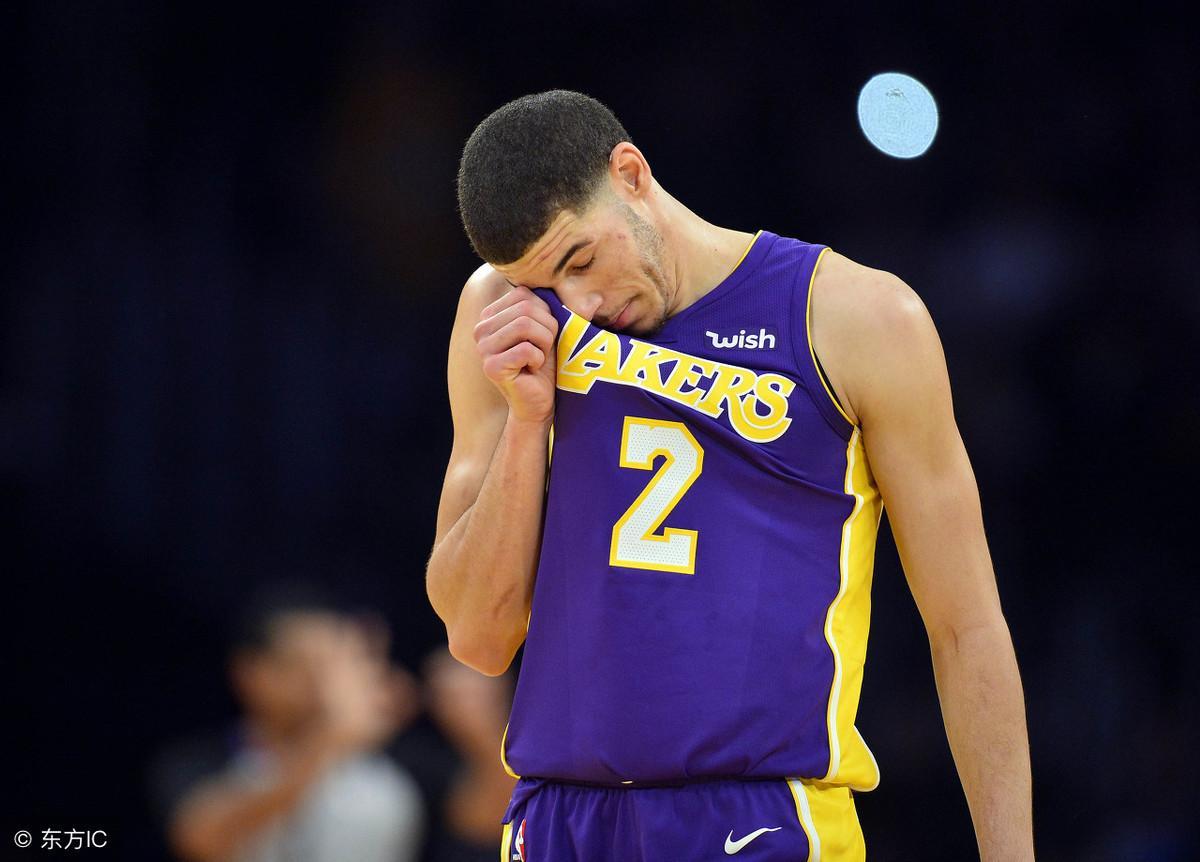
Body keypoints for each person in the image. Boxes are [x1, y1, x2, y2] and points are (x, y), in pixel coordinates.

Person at [426, 90, 1033, 860]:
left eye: (581, 260)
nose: (581, 302)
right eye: (548, 284)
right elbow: (476, 637)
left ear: (631, 174)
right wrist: (525, 421)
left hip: (758, 816)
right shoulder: (502, 313)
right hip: (557, 821)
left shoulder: (856, 316)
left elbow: (966, 627)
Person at [151, 585, 425, 862]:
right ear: (249, 672)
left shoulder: (400, 759)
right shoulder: (198, 760)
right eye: (307, 666)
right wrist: (328, 740)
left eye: (336, 667)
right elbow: (200, 840)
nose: (323, 685)